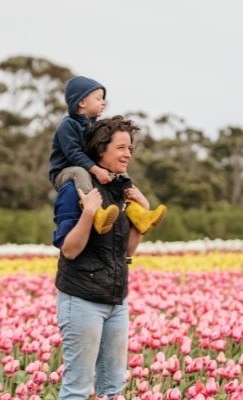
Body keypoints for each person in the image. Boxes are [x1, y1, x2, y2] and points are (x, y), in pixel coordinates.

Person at [52, 115, 150, 399]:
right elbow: (69, 249)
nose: (128, 153)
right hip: (81, 299)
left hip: (116, 299)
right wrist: (89, 213)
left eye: (130, 147)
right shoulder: (76, 190)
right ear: (100, 150)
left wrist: (141, 215)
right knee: (78, 388)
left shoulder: (121, 188)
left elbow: (128, 250)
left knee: (113, 388)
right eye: (121, 147)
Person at [48, 75, 166, 235]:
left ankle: (139, 214)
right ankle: (96, 214)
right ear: (82, 102)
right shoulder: (68, 125)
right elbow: (73, 154)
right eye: (98, 98)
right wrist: (97, 170)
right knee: (80, 171)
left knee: (119, 171)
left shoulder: (95, 126)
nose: (103, 102)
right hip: (65, 172)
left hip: (86, 167)